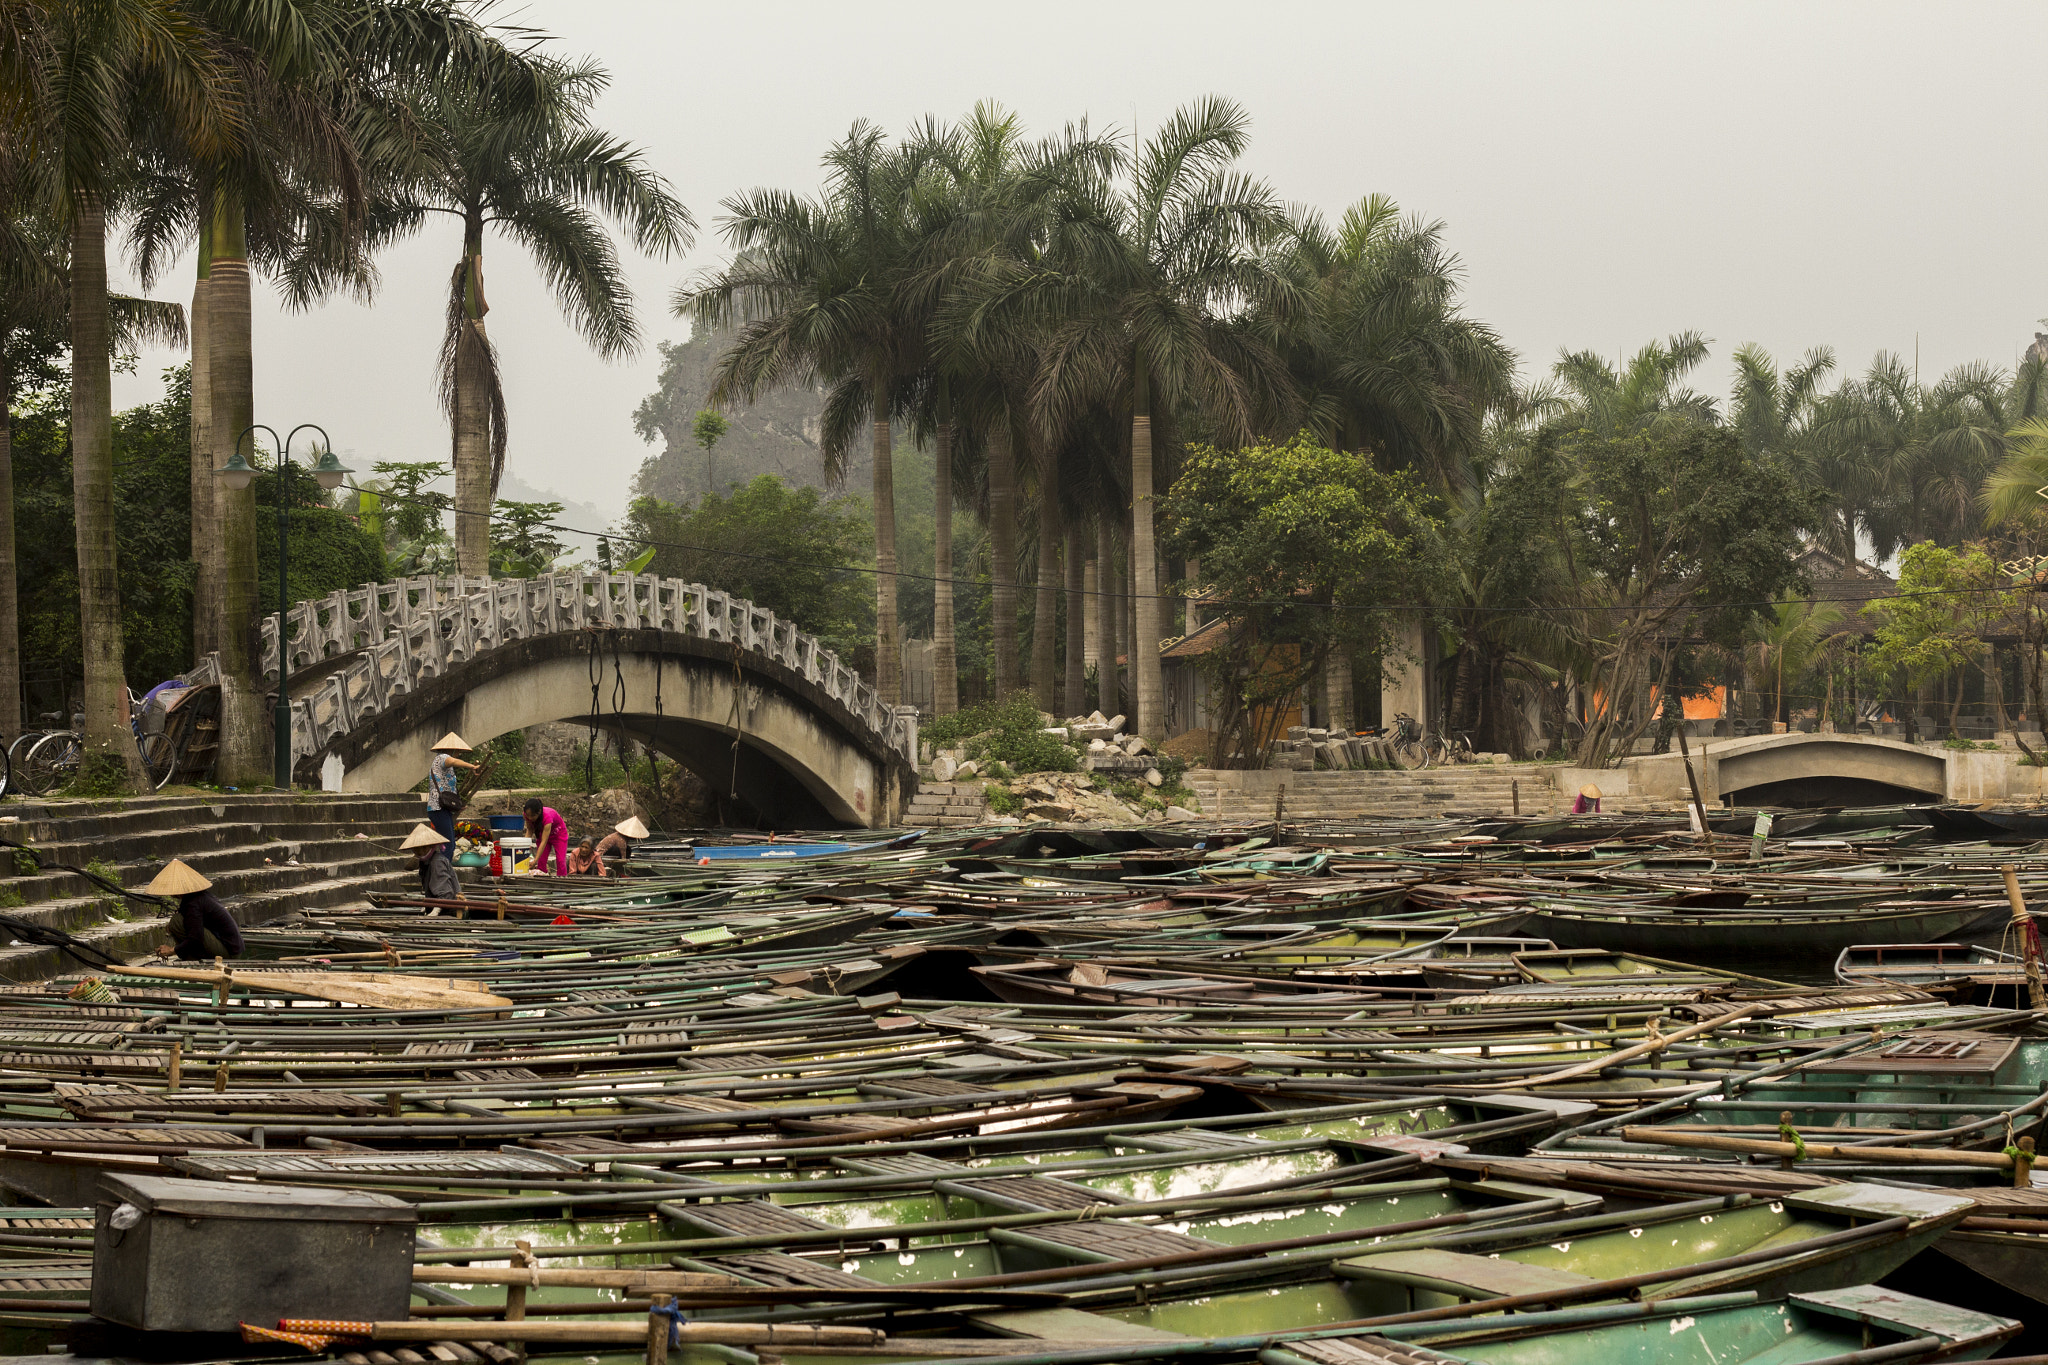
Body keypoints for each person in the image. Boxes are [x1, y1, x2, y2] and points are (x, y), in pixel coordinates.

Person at [144, 858, 244, 960]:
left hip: (229, 953)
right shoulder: (197, 898)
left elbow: (196, 938)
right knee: (176, 923)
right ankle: (192, 955)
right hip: (231, 948)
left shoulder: (194, 903)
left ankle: (195, 958)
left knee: (176, 921)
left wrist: (171, 950)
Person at [425, 732, 480, 843]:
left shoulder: (443, 763)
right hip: (438, 808)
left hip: (443, 808)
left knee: (449, 842)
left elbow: (448, 788)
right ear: (452, 750)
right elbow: (453, 761)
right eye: (458, 751)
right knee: (448, 843)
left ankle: (443, 860)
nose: (458, 754)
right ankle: (443, 861)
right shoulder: (443, 757)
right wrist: (472, 766)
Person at [401, 823, 461, 901]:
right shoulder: (424, 862)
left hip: (447, 906)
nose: (420, 851)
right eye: (416, 848)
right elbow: (409, 867)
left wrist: (435, 910)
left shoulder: (437, 862)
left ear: (431, 846)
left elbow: (445, 895)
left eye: (424, 848)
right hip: (434, 902)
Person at [524, 798, 570, 876]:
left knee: (560, 860)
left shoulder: (547, 817)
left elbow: (544, 841)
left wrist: (535, 860)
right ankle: (542, 879)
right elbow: (530, 831)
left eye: (532, 816)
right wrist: (523, 846)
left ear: (539, 812)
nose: (530, 818)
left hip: (558, 834)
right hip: (542, 834)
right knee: (541, 861)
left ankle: (561, 880)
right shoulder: (527, 815)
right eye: (528, 816)